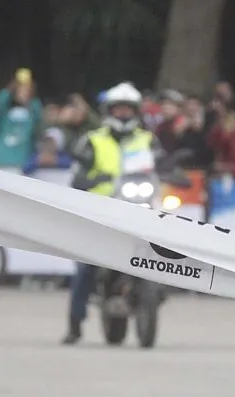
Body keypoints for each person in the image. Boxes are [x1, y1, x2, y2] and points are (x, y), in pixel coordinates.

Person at [61, 82, 166, 345]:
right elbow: (76, 175)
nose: (123, 114)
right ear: (109, 110)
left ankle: (158, 291)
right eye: (118, 109)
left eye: (127, 109)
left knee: (169, 249)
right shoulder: (93, 140)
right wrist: (90, 179)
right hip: (102, 212)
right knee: (86, 266)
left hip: (141, 209)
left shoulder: (147, 139)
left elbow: (163, 164)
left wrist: (175, 173)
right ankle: (75, 323)